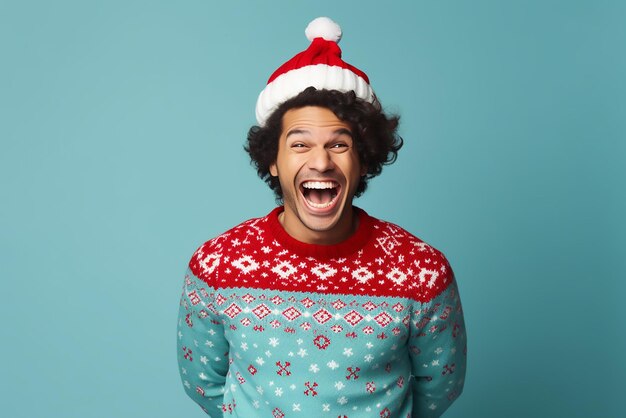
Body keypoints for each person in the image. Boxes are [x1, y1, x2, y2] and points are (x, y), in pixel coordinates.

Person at [177, 17, 467, 418]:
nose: (320, 161)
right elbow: (204, 383)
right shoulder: (216, 265)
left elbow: (439, 388)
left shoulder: (421, 271)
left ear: (363, 159)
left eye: (339, 144)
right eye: (299, 144)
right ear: (273, 160)